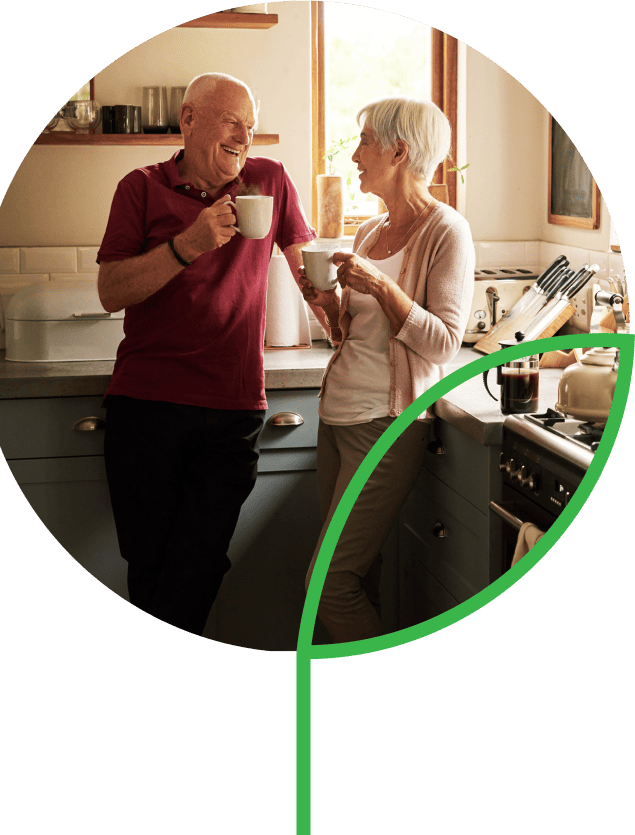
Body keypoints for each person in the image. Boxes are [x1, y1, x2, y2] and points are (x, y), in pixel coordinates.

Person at [97, 73, 316, 636]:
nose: (245, 136)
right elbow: (111, 291)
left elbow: (306, 268)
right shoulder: (140, 188)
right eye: (231, 122)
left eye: (251, 125)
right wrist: (187, 245)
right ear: (188, 119)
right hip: (146, 406)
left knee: (197, 564)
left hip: (232, 409)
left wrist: (343, 306)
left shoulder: (269, 180)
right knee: (150, 565)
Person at [299, 96, 475, 643]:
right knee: (357, 578)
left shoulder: (447, 231)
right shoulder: (370, 233)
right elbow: (353, 337)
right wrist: (327, 305)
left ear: (399, 152)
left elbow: (444, 343)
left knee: (329, 585)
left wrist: (379, 285)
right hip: (337, 419)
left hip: (386, 425)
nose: (355, 155)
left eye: (365, 142)